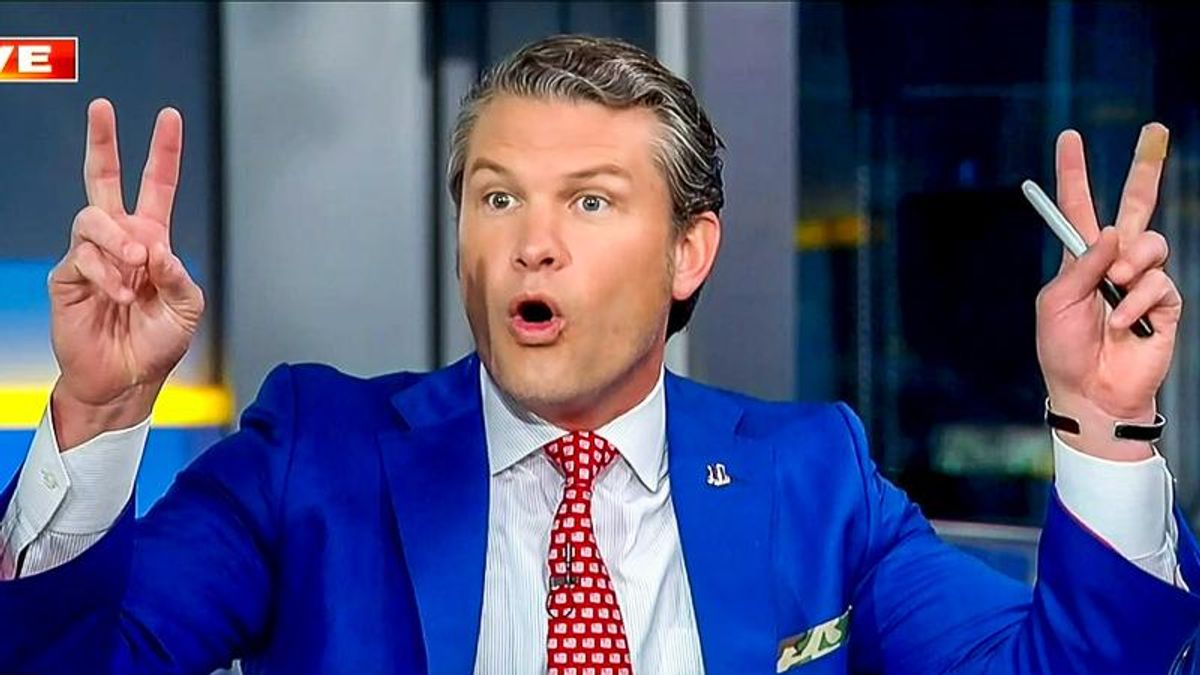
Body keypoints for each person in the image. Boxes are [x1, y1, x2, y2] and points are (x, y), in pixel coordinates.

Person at [1, 34, 1197, 674]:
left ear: (688, 252)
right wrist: (97, 414)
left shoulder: (813, 476)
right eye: (497, 197)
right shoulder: (313, 452)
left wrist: (1105, 424)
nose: (531, 243)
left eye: (588, 201)